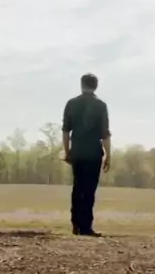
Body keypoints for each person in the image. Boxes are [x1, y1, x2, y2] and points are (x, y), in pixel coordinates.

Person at [61, 73, 111, 237]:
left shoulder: (71, 104)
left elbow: (66, 131)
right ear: (96, 86)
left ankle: (75, 224)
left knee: (77, 187)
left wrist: (67, 151)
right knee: (89, 190)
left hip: (77, 152)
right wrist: (108, 155)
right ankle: (86, 226)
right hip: (93, 153)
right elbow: (105, 134)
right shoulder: (101, 106)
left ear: (82, 85)